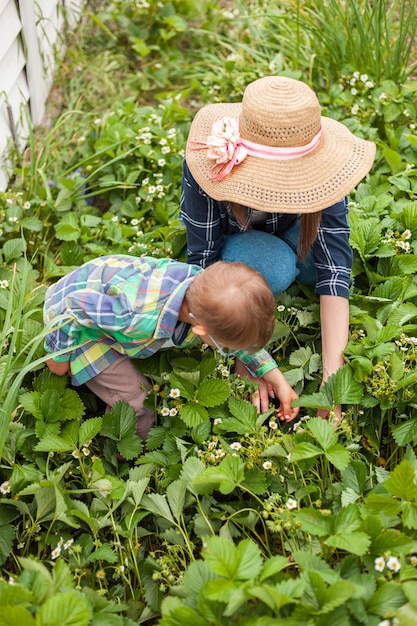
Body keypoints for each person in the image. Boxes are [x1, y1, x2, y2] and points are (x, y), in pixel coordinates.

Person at [180, 75, 376, 421]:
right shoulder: (209, 167)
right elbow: (204, 266)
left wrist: (333, 376)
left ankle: (291, 269)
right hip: (243, 248)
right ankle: (273, 278)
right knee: (272, 266)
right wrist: (247, 355)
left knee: (324, 266)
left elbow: (334, 271)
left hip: (295, 232)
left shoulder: (325, 173)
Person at [43, 254, 300, 443]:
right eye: (227, 348)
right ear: (201, 330)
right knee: (136, 399)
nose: (232, 350)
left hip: (104, 296)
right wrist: (59, 356)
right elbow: (71, 308)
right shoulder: (134, 314)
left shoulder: (204, 290)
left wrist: (274, 376)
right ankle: (128, 453)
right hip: (79, 324)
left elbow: (239, 330)